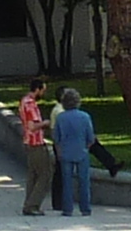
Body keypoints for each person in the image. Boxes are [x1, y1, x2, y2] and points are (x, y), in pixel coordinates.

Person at [48, 89, 99, 216]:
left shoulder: (60, 118)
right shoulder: (85, 117)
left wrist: (59, 151)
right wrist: (86, 147)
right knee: (84, 181)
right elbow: (90, 138)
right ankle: (85, 208)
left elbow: (56, 137)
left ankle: (67, 209)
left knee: (67, 181)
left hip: (65, 152)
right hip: (81, 151)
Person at [17, 79, 54, 217]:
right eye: (43, 90)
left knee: (33, 174)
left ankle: (29, 203)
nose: (43, 93)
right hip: (35, 143)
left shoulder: (24, 100)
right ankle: (32, 204)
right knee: (45, 174)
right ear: (37, 89)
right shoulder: (31, 104)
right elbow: (32, 126)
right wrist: (45, 123)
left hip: (28, 142)